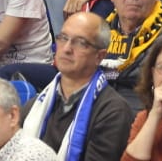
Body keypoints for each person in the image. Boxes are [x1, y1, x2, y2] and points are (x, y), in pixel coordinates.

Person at [20, 11, 134, 161]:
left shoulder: (113, 111)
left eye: (80, 42)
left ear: (99, 56)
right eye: (63, 38)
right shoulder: (35, 106)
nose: (67, 48)